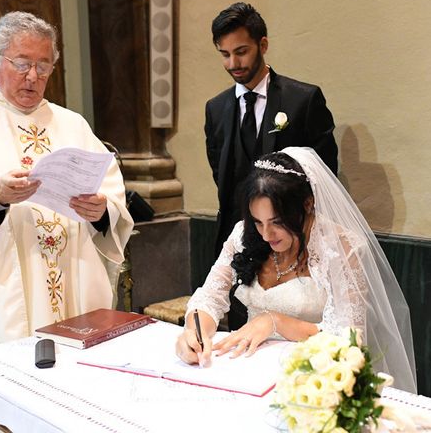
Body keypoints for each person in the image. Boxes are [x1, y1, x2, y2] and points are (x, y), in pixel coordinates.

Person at [0, 11, 133, 385]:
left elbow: (111, 196)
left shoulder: (73, 124)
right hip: (2, 294)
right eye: (22, 64)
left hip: (73, 287)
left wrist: (101, 211)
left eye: (44, 66)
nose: (33, 77)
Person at [176, 147, 417, 393]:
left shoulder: (342, 249)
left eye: (277, 222)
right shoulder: (243, 235)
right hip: (248, 372)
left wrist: (275, 322)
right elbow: (210, 297)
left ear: (308, 204)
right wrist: (195, 332)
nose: (266, 235)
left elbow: (349, 341)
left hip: (314, 380)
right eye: (258, 222)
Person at [205, 2, 338, 258]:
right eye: (225, 54)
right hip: (237, 240)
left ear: (263, 45)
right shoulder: (215, 109)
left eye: (241, 51)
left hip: (293, 239)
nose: (233, 63)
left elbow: (324, 176)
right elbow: (220, 173)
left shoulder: (303, 100)